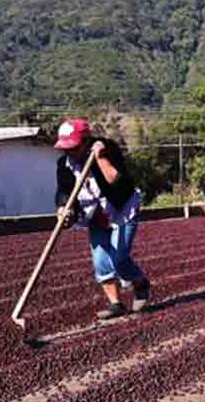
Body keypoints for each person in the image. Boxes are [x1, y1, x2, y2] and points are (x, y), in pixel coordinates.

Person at [53, 118, 151, 319]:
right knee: (101, 263)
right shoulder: (64, 164)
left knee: (120, 257)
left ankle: (140, 283)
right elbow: (64, 191)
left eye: (74, 147)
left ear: (86, 141)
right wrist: (64, 209)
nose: (69, 152)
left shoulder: (108, 149)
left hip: (122, 209)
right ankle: (116, 305)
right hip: (95, 216)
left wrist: (100, 158)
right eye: (66, 148)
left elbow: (114, 179)